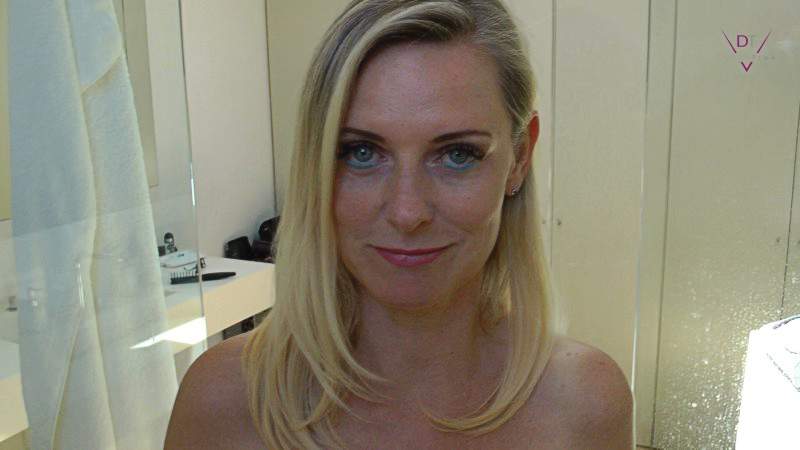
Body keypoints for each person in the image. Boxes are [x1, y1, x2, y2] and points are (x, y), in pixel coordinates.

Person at [164, 0, 633, 448]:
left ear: (520, 158)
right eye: (361, 152)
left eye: (457, 154)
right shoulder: (223, 403)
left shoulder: (584, 406)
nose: (408, 213)